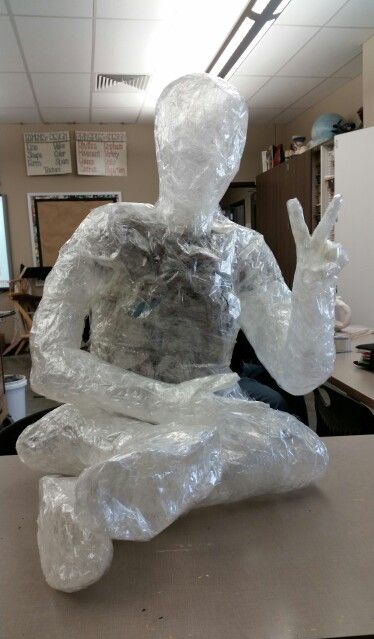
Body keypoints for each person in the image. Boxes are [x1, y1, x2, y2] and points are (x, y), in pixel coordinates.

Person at [17, 74, 347, 589]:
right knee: (82, 440)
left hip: (207, 418)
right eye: (190, 149)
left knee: (305, 452)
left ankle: (90, 497)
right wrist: (171, 407)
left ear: (235, 155)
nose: (205, 167)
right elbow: (50, 362)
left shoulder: (245, 249)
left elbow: (299, 374)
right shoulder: (111, 229)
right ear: (164, 146)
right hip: (114, 414)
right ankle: (130, 480)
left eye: (218, 152)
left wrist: (314, 290)